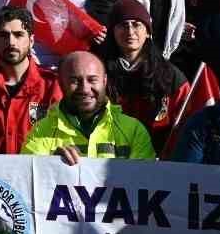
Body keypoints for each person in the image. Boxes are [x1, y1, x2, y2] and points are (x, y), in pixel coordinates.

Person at [98, 0, 190, 157]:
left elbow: (186, 119)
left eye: (136, 24)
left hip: (158, 161)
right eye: (122, 25)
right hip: (110, 159)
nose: (130, 31)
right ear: (112, 32)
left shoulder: (169, 75)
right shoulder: (99, 72)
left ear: (147, 31)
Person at [22, 52, 155, 160]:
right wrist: (51, 166)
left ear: (104, 81)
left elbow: (145, 183)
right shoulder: (41, 132)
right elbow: (28, 183)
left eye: (92, 80)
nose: (85, 89)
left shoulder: (133, 130)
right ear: (61, 83)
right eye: (74, 81)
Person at [0, 7, 62, 155]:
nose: (11, 42)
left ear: (31, 41)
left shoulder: (53, 86)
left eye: (18, 35)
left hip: (38, 174)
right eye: (4, 35)